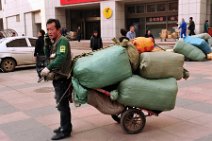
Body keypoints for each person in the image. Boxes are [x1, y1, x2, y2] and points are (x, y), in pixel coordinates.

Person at [41, 19, 72, 140]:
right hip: (57, 78)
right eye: (48, 29)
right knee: (61, 104)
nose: (49, 31)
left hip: (62, 78)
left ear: (58, 29)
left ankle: (65, 130)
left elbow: (61, 58)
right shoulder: (54, 41)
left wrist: (48, 68)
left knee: (62, 105)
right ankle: (65, 125)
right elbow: (48, 56)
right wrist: (45, 43)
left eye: (52, 29)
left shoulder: (62, 41)